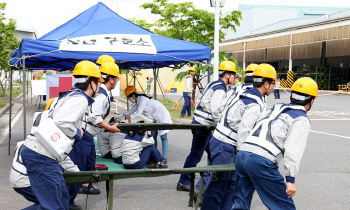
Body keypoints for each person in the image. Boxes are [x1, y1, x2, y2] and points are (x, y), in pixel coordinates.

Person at [20, 60, 104, 210]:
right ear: (92, 83)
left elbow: (60, 145)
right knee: (54, 207)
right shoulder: (81, 99)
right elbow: (62, 123)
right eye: (99, 83)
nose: (99, 87)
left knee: (63, 201)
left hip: (43, 153)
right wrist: (78, 132)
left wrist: (78, 173)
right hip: (41, 155)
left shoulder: (69, 96)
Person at [233, 77, 318, 210]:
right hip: (260, 161)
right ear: (311, 101)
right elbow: (293, 150)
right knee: (284, 207)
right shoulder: (301, 118)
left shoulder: (275, 109)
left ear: (291, 97)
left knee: (241, 204)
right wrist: (290, 180)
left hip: (243, 154)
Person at [200, 63, 277, 210]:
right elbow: (244, 132)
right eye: (273, 83)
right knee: (219, 186)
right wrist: (244, 158)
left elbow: (223, 108)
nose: (274, 87)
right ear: (266, 84)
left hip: (223, 142)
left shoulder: (244, 91)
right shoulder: (254, 102)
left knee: (231, 185)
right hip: (226, 145)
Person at [177, 61, 237, 192]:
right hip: (204, 125)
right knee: (196, 154)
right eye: (233, 74)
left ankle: (208, 181)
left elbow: (202, 102)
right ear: (227, 75)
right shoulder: (220, 87)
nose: (235, 77)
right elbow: (215, 109)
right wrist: (219, 124)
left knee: (213, 154)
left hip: (200, 123)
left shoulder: (214, 83)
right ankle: (184, 181)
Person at [68, 60, 121, 209]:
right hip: (84, 133)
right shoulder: (102, 94)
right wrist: (109, 128)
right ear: (111, 79)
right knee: (77, 168)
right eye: (116, 78)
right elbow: (94, 117)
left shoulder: (102, 91)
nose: (116, 81)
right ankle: (69, 202)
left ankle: (86, 185)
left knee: (90, 162)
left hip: (88, 134)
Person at [9, 141, 80, 210]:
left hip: (17, 179)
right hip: (25, 181)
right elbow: (65, 161)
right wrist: (80, 176)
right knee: (56, 202)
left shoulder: (27, 142)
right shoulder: (46, 144)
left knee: (54, 202)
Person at [122, 86, 172, 164]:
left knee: (163, 136)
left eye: (129, 98)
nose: (130, 100)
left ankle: (164, 157)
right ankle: (155, 156)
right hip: (156, 118)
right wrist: (119, 117)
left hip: (162, 115)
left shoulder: (142, 99)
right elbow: (130, 111)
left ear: (133, 95)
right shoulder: (137, 102)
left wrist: (127, 117)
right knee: (153, 135)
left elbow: (138, 114)